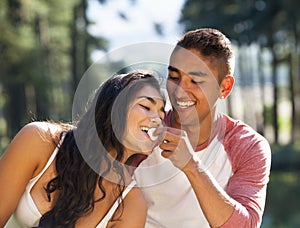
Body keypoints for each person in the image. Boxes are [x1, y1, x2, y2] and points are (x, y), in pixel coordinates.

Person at [134, 28, 272, 227]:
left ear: (224, 87)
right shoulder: (143, 130)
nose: (180, 91)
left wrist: (191, 165)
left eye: (195, 81)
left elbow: (246, 225)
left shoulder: (247, 146)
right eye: (174, 77)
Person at [0, 71, 166, 227]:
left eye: (161, 114)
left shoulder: (131, 204)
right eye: (146, 106)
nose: (157, 120)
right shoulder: (39, 140)